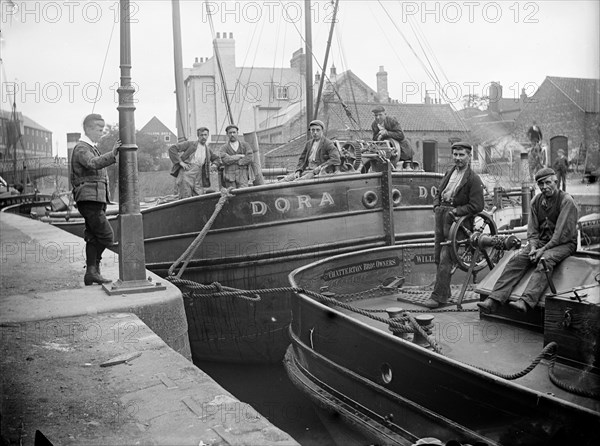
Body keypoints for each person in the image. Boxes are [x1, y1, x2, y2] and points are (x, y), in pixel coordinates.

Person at [477, 167, 578, 314]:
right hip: (542, 243)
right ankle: (494, 299)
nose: (544, 187)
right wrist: (532, 248)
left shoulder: (566, 201)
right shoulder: (536, 201)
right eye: (541, 184)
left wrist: (541, 250)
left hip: (564, 244)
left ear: (555, 181)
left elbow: (560, 235)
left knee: (545, 260)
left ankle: (526, 301)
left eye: (548, 183)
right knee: (516, 260)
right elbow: (532, 231)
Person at [423, 142, 485, 309]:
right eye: (455, 155)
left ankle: (439, 297)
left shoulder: (473, 179)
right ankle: (445, 290)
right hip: (441, 216)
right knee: (437, 255)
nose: (457, 158)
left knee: (446, 257)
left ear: (469, 156)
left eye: (461, 155)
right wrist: (436, 206)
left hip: (458, 223)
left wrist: (457, 211)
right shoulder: (449, 172)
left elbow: (477, 206)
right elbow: (439, 192)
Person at [71, 113, 120, 286]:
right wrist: (112, 154)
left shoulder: (90, 147)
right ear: (89, 128)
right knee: (107, 236)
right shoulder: (82, 148)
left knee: (92, 237)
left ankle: (91, 273)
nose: (101, 133)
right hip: (89, 199)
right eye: (99, 129)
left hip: (95, 199)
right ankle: (93, 269)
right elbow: (92, 163)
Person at [168, 127, 220, 199]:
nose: (203, 137)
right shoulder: (190, 144)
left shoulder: (207, 149)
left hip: (199, 175)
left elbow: (216, 158)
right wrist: (181, 162)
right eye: (201, 135)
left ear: (208, 136)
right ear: (198, 136)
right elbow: (172, 149)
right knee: (185, 196)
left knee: (199, 197)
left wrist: (214, 165)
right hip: (187, 173)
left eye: (205, 135)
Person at [369, 105, 413, 170]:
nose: (378, 117)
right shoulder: (374, 125)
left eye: (380, 115)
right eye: (376, 115)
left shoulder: (391, 120)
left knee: (404, 169)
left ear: (385, 114)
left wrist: (386, 133)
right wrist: (378, 136)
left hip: (402, 150)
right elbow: (375, 139)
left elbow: (400, 135)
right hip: (387, 152)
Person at [218, 125, 254, 189]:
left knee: (243, 194)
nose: (232, 134)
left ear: (237, 133)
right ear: (227, 134)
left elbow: (250, 157)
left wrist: (240, 162)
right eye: (230, 133)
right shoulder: (223, 148)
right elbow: (225, 160)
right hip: (229, 177)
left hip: (243, 176)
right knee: (231, 195)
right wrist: (240, 156)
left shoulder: (245, 145)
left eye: (234, 132)